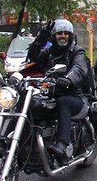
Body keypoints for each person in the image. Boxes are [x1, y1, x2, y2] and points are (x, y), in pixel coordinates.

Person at [27, 18, 89, 164]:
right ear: (54, 36)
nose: (63, 36)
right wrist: (41, 37)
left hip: (73, 96)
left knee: (63, 102)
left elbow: (79, 69)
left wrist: (68, 79)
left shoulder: (76, 51)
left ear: (71, 35)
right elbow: (33, 57)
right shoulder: (49, 52)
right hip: (50, 94)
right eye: (60, 33)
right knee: (28, 102)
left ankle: (63, 144)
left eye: (66, 33)